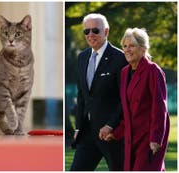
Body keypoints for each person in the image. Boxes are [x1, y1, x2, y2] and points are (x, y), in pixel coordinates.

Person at [102, 28, 170, 171]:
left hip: (148, 137)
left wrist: (156, 138)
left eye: (132, 46)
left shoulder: (153, 70)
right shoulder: (125, 72)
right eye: (125, 46)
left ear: (143, 48)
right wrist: (116, 132)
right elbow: (128, 110)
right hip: (130, 138)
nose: (127, 50)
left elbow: (160, 107)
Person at [70, 13, 127, 171]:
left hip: (111, 134)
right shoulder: (82, 57)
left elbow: (125, 98)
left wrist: (111, 125)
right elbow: (82, 95)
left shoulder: (120, 58)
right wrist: (78, 127)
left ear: (106, 32)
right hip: (87, 133)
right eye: (86, 31)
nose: (90, 35)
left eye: (95, 30)